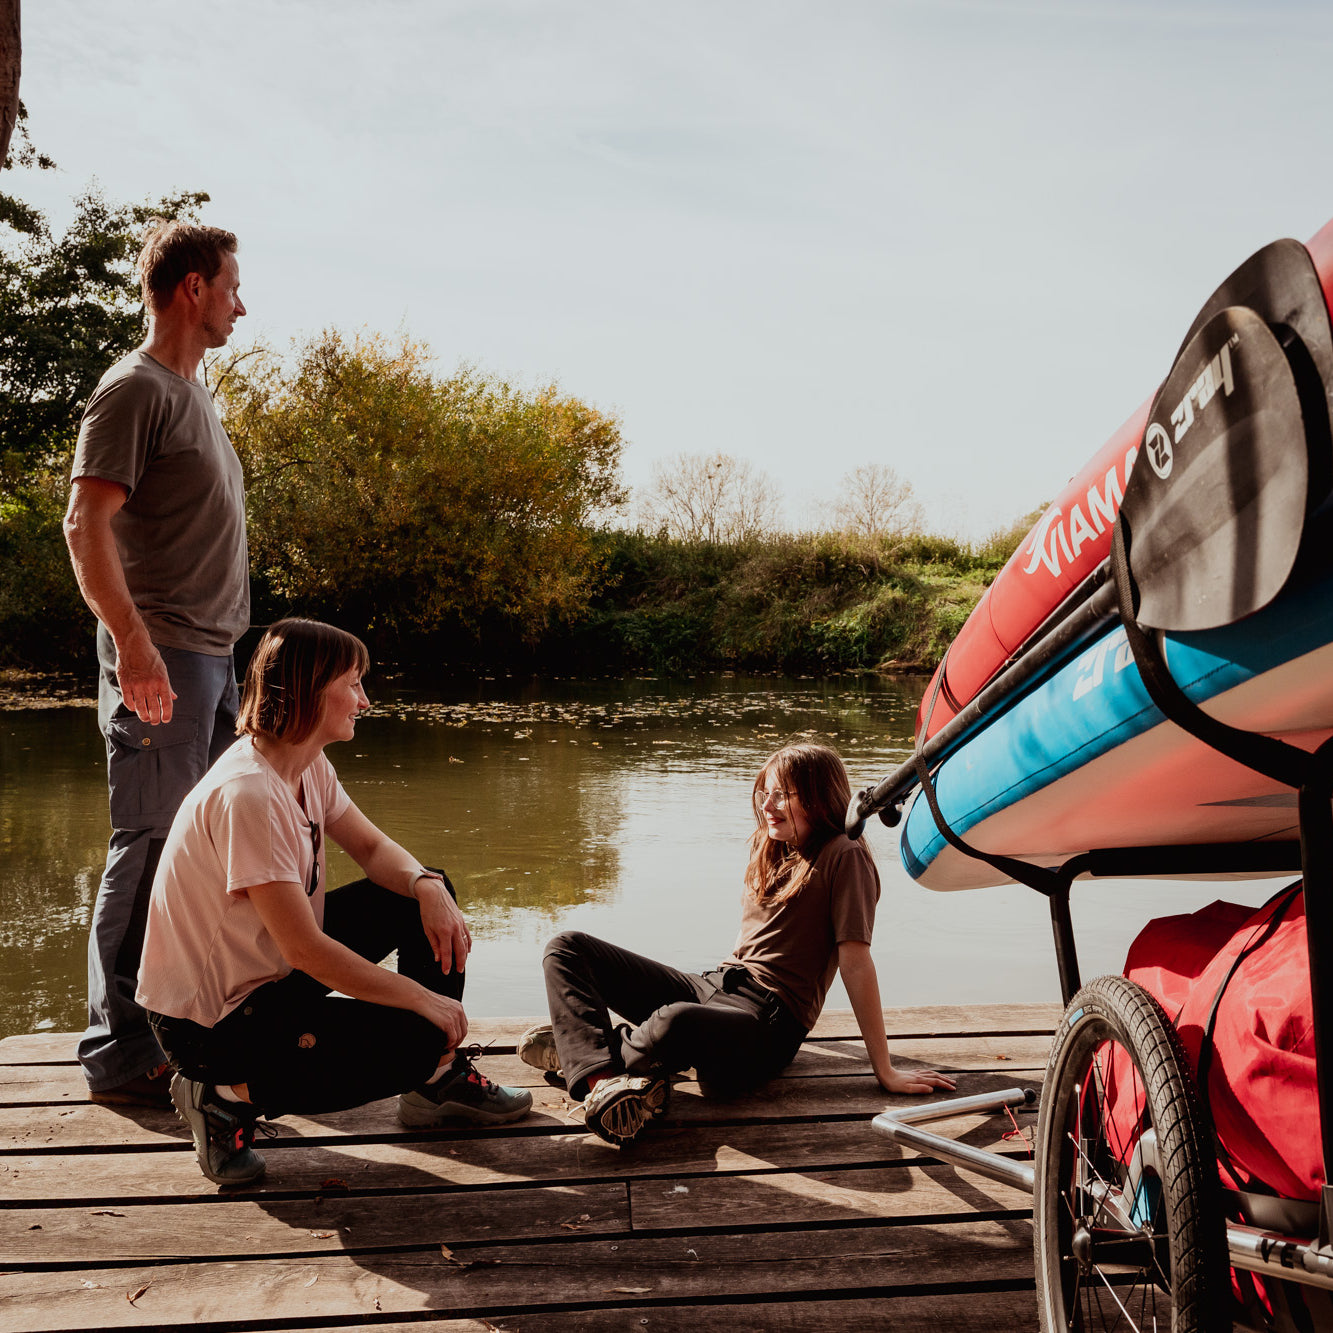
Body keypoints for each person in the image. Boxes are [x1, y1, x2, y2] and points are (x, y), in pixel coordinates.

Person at [136, 618, 531, 1186]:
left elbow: (371, 848)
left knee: (420, 892)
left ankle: (435, 1081)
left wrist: (425, 885)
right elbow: (307, 950)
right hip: (209, 1024)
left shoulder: (302, 763)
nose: (365, 700)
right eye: (352, 683)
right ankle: (219, 1094)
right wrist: (422, 1000)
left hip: (266, 973)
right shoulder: (249, 795)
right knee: (416, 1038)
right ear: (306, 690)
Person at [518, 741, 956, 1146]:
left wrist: (885, 1069)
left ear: (819, 797)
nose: (767, 805)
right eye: (764, 793)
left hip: (767, 1020)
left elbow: (856, 963)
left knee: (675, 1021)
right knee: (567, 947)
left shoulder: (845, 854)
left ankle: (584, 1054)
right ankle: (604, 1076)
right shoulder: (774, 845)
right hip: (716, 984)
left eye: (782, 794)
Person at [63, 221, 250, 1106]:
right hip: (162, 652)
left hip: (213, 654)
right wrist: (134, 647)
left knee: (200, 850)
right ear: (191, 291)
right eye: (231, 288)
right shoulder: (133, 389)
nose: (240, 305)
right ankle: (118, 1051)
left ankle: (180, 1025)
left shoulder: (195, 394)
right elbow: (83, 525)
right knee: (147, 842)